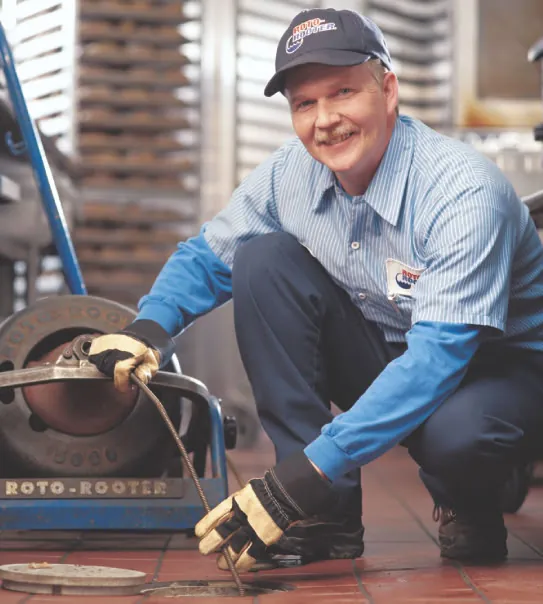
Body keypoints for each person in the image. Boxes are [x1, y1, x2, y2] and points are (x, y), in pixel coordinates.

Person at [88, 7, 543, 572]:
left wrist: (298, 477)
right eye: (305, 103)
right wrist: (149, 327)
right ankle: (323, 511)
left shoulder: (461, 192)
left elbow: (438, 360)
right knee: (263, 259)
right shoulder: (289, 175)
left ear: (389, 90)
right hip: (400, 349)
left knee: (461, 435)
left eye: (343, 92)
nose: (325, 120)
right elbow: (208, 257)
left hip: (503, 371)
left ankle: (472, 497)